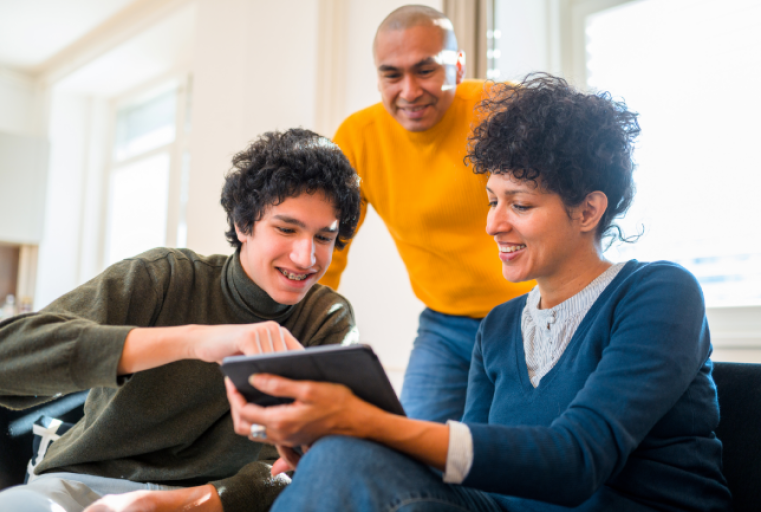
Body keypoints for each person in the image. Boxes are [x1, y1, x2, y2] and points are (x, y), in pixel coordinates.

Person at [225, 75, 732, 511]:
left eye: (521, 204)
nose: (493, 223)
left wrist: (370, 423)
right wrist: (342, 439)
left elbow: (577, 460)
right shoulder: (500, 325)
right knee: (340, 456)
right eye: (492, 200)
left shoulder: (660, 293)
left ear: (587, 211)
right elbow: (475, 472)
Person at [0, 129, 361, 512]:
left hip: (212, 503)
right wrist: (194, 340)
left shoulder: (327, 318)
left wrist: (176, 504)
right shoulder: (162, 277)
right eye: (286, 229)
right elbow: (1, 357)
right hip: (81, 488)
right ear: (243, 225)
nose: (307, 257)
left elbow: (297, 467)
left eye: (324, 237)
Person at [321, 4, 534, 423]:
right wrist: (303, 333)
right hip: (445, 325)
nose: (409, 91)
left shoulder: (503, 110)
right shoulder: (357, 138)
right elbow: (328, 242)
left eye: (425, 70)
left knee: (517, 457)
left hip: (531, 313)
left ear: (458, 65)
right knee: (413, 452)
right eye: (392, 74)